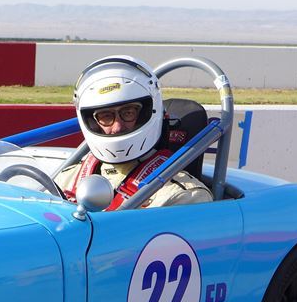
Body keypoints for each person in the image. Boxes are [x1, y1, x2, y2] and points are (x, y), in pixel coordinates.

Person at [55, 56, 212, 209]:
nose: (117, 127)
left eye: (128, 113)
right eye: (106, 116)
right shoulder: (66, 179)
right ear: (92, 121)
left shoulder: (182, 197)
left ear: (145, 113)